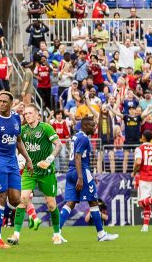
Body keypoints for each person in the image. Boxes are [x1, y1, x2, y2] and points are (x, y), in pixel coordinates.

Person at [0, 91, 33, 249]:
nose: (1, 104)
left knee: (16, 200)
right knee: (1, 198)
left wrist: (28, 160)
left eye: (4, 102)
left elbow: (18, 141)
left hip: (12, 161)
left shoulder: (16, 118)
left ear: (11, 103)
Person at [58, 114, 116, 242]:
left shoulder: (76, 136)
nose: (95, 127)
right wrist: (81, 177)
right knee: (93, 202)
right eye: (92, 125)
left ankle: (57, 233)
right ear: (84, 126)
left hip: (71, 171)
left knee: (70, 203)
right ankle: (101, 234)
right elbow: (78, 157)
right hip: (80, 171)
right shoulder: (84, 139)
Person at [9, 105, 62, 245]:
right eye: (25, 113)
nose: (27, 115)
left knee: (51, 204)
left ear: (38, 115)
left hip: (46, 171)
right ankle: (16, 235)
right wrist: (20, 160)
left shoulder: (46, 128)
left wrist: (49, 159)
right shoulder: (23, 130)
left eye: (30, 113)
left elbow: (58, 145)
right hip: (30, 170)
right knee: (23, 199)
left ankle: (57, 234)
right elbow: (19, 147)